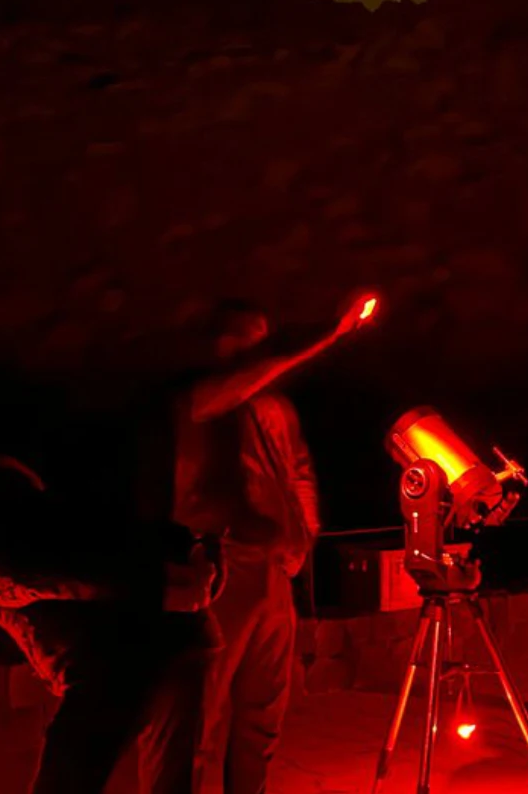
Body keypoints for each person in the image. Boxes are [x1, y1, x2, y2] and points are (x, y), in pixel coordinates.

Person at [0, 435, 219, 794]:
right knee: (169, 781)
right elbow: (148, 540)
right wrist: (195, 562)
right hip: (178, 642)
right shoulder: (59, 515)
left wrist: (159, 589)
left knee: (64, 781)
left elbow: (58, 575)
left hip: (113, 664)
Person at [174, 298, 365, 794]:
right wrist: (329, 334)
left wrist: (305, 536)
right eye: (243, 336)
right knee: (201, 710)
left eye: (261, 336)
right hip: (219, 569)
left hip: (273, 572)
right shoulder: (201, 399)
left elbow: (299, 471)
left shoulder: (276, 408)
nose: (255, 346)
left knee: (263, 711)